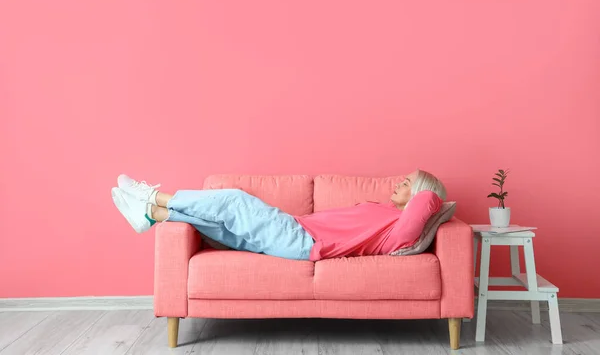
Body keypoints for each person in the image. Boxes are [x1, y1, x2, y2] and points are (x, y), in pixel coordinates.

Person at [111, 170, 447, 261]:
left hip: (303, 241)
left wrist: (425, 191)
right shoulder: (387, 210)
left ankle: (152, 194)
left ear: (416, 195)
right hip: (296, 231)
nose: (398, 184)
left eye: (407, 184)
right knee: (221, 223)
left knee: (233, 199)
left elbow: (430, 201)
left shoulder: (399, 229)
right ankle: (152, 214)